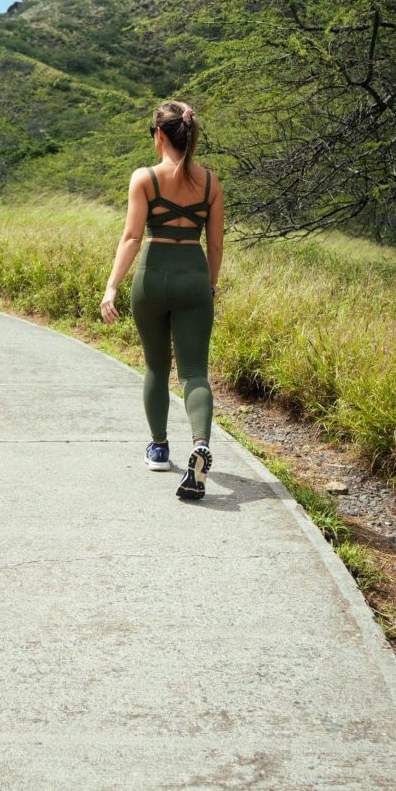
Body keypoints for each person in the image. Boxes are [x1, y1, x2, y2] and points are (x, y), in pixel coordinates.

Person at [100, 100, 224, 500]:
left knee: (156, 365)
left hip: (152, 278)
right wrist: (209, 285)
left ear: (159, 136)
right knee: (194, 373)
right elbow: (216, 245)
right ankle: (201, 443)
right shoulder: (210, 183)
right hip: (193, 274)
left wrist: (112, 287)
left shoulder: (144, 178)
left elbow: (132, 237)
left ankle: (158, 447)